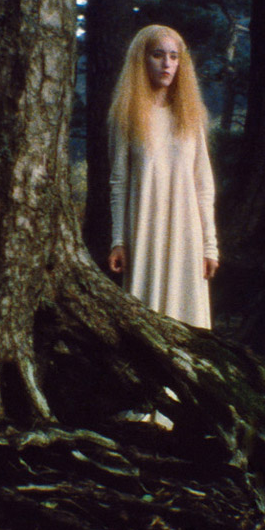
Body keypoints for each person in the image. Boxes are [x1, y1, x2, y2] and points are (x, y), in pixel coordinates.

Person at [107, 25, 219, 331]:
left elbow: (203, 184)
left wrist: (210, 246)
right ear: (141, 60)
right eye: (158, 55)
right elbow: (119, 183)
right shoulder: (126, 115)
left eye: (174, 56)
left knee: (190, 323)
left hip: (187, 235)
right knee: (144, 322)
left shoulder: (190, 116)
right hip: (144, 230)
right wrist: (118, 241)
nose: (167, 64)